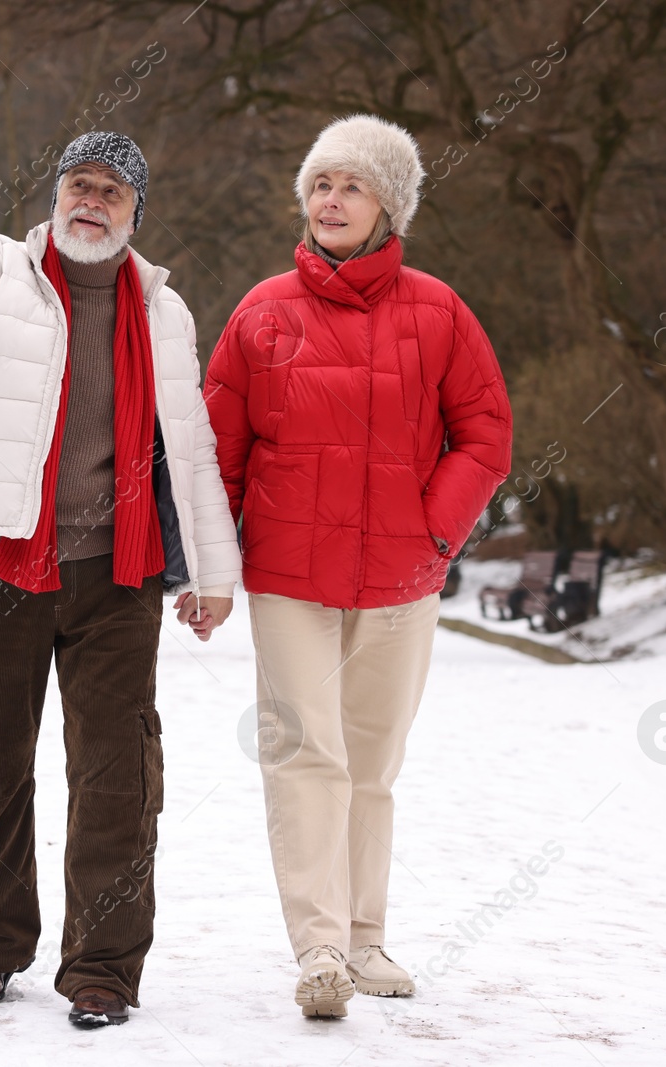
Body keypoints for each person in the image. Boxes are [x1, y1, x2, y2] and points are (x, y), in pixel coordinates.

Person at [0, 132, 241, 1028]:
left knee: (119, 773)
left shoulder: (165, 311)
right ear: (55, 196)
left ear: (134, 213)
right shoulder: (0, 271)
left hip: (120, 571)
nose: (92, 201)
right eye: (79, 184)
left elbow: (188, 451)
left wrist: (212, 572)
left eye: (112, 191)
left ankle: (103, 968)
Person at [202, 114, 512, 1018]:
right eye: (320, 185)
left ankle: (369, 939)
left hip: (402, 580)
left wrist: (433, 532)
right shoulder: (261, 312)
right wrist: (212, 569)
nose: (330, 201)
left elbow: (486, 435)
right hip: (290, 577)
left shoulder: (439, 310)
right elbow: (217, 450)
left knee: (373, 764)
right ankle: (321, 949)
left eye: (352, 186)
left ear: (389, 206)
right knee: (308, 754)